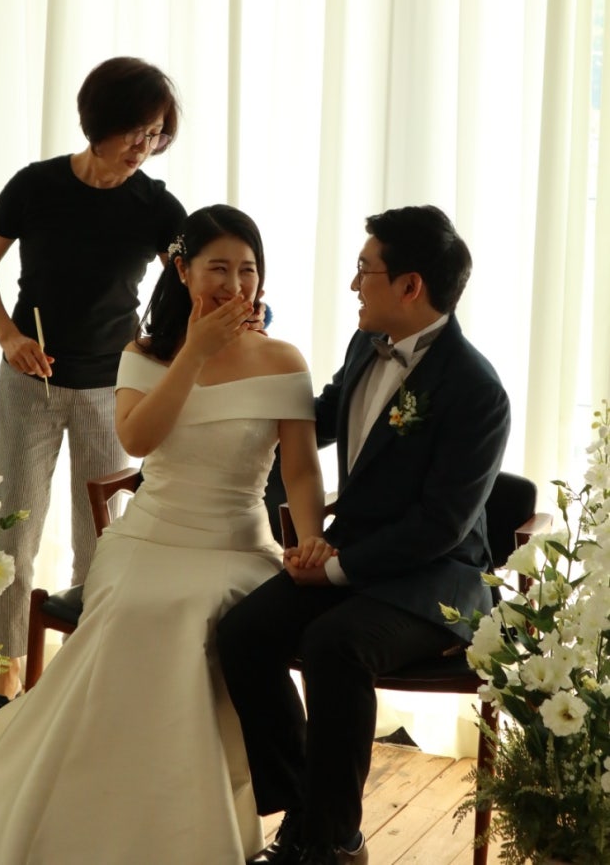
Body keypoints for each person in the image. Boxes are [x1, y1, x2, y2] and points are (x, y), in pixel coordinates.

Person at [0, 204, 335, 865]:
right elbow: (138, 439)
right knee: (142, 606)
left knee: (202, 610)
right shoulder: (143, 354)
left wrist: (309, 540)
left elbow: (302, 469)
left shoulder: (283, 359)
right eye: (218, 269)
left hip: (236, 545)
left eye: (248, 270)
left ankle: (195, 819)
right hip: (149, 537)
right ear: (182, 270)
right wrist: (195, 353)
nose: (235, 285)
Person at [216, 204, 511, 865]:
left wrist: (333, 566)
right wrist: (242, 368)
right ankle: (306, 808)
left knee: (335, 644)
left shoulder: (476, 390)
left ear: (410, 285)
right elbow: (313, 419)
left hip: (435, 580)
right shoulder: (364, 345)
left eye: (363, 269)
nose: (353, 283)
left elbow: (441, 525)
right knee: (242, 632)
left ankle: (330, 841)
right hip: (351, 555)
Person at [0, 56, 186, 703]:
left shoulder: (156, 206)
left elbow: (188, 283)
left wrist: (159, 350)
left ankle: (87, 667)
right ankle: (3, 668)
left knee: (101, 538)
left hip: (110, 389)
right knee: (14, 527)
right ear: (99, 121)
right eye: (135, 130)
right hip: (27, 384)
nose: (144, 146)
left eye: (156, 133)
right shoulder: (36, 187)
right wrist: (8, 336)